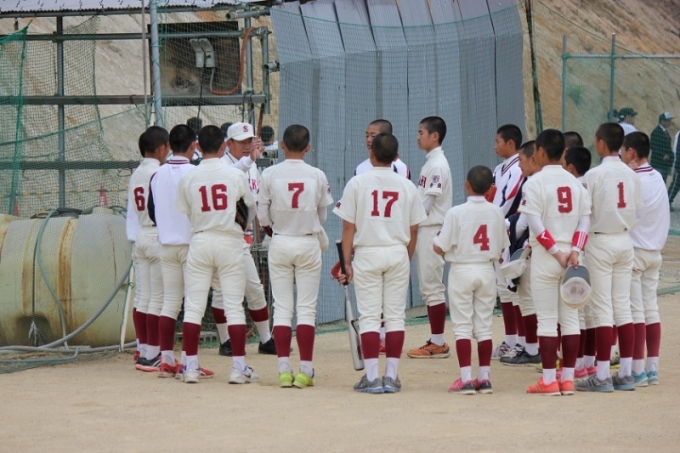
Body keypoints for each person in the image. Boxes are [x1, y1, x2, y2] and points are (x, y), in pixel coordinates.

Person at [334, 133, 426, 393]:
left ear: (371, 153)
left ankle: (373, 377)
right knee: (396, 317)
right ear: (396, 157)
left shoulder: (357, 182)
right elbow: (415, 229)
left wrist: (346, 262)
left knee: (370, 317)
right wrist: (406, 259)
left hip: (368, 253)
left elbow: (348, 227)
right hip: (397, 252)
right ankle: (392, 377)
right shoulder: (407, 185)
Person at [175, 125, 257, 384]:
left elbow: (186, 211)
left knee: (193, 307)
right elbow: (250, 209)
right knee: (234, 306)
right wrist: (238, 226)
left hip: (200, 239)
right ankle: (238, 368)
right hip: (229, 241)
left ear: (198, 147)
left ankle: (190, 366)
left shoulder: (189, 176)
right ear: (224, 145)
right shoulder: (235, 174)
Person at [257, 124, 334, 389]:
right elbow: (322, 216)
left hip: (280, 241)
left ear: (282, 145)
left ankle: (283, 369)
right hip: (307, 241)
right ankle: (306, 369)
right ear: (308, 147)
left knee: (281, 308)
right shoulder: (317, 175)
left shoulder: (269, 173)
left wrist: (275, 230)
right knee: (306, 309)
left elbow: (262, 215)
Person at [519, 129, 591, 396]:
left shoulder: (534, 183)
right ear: (564, 152)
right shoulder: (576, 183)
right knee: (571, 319)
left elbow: (536, 225)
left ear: (539, 151)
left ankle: (549, 380)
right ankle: (568, 379)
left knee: (547, 321)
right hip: (573, 258)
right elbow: (584, 222)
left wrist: (556, 252)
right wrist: (575, 251)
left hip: (547, 257)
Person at [577, 123, 643, 393]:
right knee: (623, 307)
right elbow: (636, 209)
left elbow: (584, 213)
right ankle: (625, 373)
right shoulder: (631, 174)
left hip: (601, 240)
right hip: (625, 240)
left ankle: (602, 375)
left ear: (601, 143)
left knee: (603, 308)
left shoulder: (593, 175)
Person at [147, 124, 214, 378]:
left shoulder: (157, 173)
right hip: (190, 244)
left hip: (166, 244)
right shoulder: (195, 173)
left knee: (170, 303)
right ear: (194, 145)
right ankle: (188, 361)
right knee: (193, 305)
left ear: (169, 145)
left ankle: (166, 360)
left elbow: (152, 211)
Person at [434, 165, 508, 394]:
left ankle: (466, 378)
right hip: (486, 269)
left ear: (467, 185)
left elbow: (439, 246)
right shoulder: (496, 212)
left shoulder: (456, 212)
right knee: (484, 326)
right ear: (490, 189)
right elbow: (502, 246)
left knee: (462, 326)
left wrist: (441, 246)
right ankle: (484, 378)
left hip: (462, 269)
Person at [215, 122, 276, 357]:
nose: (246, 145)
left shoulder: (251, 165)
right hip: (221, 235)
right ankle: (225, 341)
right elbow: (229, 176)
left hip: (240, 236)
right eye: (241, 141)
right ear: (228, 143)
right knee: (221, 291)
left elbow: (256, 198)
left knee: (255, 288)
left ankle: (266, 339)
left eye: (249, 140)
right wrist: (250, 160)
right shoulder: (222, 164)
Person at [355, 119, 411, 353]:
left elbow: (406, 211)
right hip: (369, 241)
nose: (369, 140)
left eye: (374, 135)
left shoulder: (400, 169)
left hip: (391, 241)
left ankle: (386, 334)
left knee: (391, 300)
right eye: (367, 135)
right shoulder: (360, 169)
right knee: (373, 297)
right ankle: (377, 335)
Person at [621, 131, 669, 386]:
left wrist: (624, 173)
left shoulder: (632, 179)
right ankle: (652, 369)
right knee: (651, 310)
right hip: (655, 252)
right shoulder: (657, 176)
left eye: (623, 150)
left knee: (635, 311)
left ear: (631, 152)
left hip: (636, 252)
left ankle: (637, 369)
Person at [406, 116, 453, 359]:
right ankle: (436, 340)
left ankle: (438, 342)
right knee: (428, 286)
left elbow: (427, 203)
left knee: (433, 287)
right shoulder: (431, 162)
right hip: (427, 228)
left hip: (432, 228)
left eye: (421, 132)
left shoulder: (438, 164)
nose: (418, 137)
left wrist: (409, 221)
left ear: (435, 136)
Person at [126, 126, 169, 370]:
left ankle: (143, 349)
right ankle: (152, 353)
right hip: (155, 234)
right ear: (161, 148)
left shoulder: (136, 173)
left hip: (141, 233)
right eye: (167, 147)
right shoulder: (159, 172)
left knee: (142, 297)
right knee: (157, 299)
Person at [499, 141, 540, 367]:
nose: (520, 165)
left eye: (522, 160)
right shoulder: (567, 180)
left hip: (538, 247)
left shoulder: (532, 183)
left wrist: (505, 236)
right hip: (567, 248)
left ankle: (532, 349)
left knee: (527, 300)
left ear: (534, 158)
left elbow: (523, 223)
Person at [489, 125, 525, 360]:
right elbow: (492, 196)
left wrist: (491, 219)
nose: (495, 146)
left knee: (515, 289)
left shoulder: (518, 168)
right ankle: (510, 340)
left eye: (498, 141)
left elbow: (509, 200)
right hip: (498, 230)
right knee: (504, 289)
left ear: (510, 143)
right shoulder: (498, 169)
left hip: (511, 232)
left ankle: (522, 341)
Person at [561, 145, 596, 379]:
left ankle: (577, 363)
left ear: (571, 167)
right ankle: (589, 361)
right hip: (592, 246)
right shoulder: (591, 182)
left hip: (579, 248)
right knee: (591, 309)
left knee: (577, 309)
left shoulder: (573, 187)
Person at [650, 112, 674, 184]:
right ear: (662, 121)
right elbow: (654, 147)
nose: (669, 122)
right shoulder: (656, 132)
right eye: (668, 120)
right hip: (658, 165)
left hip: (664, 165)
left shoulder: (665, 132)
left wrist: (670, 156)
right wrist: (663, 156)